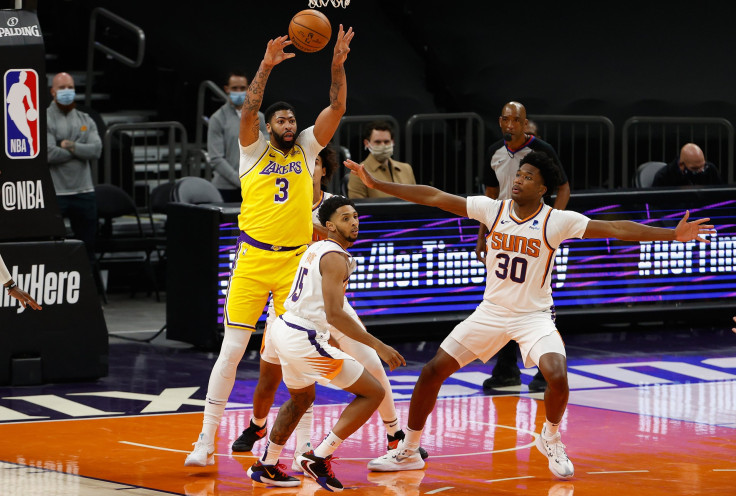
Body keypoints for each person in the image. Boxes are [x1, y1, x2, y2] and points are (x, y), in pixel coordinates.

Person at [345, 151, 714, 479]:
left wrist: (671, 234)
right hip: (490, 312)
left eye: (527, 177)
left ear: (543, 189)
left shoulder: (557, 221)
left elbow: (616, 229)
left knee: (557, 375)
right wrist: (378, 183)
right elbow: (435, 197)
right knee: (432, 371)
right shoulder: (495, 209)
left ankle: (550, 437)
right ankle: (409, 449)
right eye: (518, 175)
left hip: (533, 316)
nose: (518, 181)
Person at [185, 26, 355, 467]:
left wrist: (336, 65)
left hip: (295, 267)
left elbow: (336, 106)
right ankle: (204, 442)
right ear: (267, 126)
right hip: (253, 261)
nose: (288, 124)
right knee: (231, 352)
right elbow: (250, 105)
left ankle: (301, 446)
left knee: (297, 360)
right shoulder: (252, 148)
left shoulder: (307, 151)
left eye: (292, 120)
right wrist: (265, 65)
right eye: (280, 120)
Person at [240, 144, 429, 470]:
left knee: (365, 365)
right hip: (293, 307)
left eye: (313, 164)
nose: (307, 169)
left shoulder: (334, 207)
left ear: (323, 170)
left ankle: (392, 433)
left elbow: (335, 308)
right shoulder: (284, 206)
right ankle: (268, 431)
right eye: (301, 164)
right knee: (274, 379)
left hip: (319, 307)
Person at [246, 195, 406, 491]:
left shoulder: (318, 246)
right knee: (373, 392)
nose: (354, 222)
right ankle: (319, 457)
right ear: (330, 226)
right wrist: (379, 345)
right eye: (346, 218)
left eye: (355, 216)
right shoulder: (335, 258)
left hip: (284, 329)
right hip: (302, 336)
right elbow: (335, 314)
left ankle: (266, 464)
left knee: (302, 399)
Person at [476, 101, 571, 393]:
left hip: (533, 233)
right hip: (502, 233)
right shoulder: (494, 151)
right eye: (505, 119)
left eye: (516, 120)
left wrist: (552, 224)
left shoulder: (542, 150)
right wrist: (482, 234)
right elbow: (490, 195)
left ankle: (546, 371)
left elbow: (564, 188)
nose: (510, 125)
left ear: (525, 123)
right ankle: (507, 371)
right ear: (500, 121)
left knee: (538, 303)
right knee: (505, 299)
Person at [47, 72, 102, 265]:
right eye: (62, 88)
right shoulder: (44, 119)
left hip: (84, 192)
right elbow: (48, 153)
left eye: (70, 87)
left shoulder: (85, 119)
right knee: (51, 247)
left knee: (88, 248)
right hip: (57, 193)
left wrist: (68, 145)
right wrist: (80, 149)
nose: (67, 91)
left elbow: (96, 150)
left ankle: (90, 292)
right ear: (53, 91)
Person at [207, 70, 268, 202]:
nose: (239, 91)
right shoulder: (218, 119)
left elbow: (266, 151)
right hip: (225, 189)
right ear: (227, 89)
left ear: (248, 89)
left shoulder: (260, 118)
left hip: (254, 186)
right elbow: (216, 158)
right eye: (235, 88)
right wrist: (240, 180)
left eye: (242, 88)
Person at [347, 120, 416, 199]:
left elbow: (416, 200)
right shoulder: (359, 172)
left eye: (386, 142)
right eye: (378, 142)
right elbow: (358, 207)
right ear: (367, 143)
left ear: (392, 142)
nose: (383, 145)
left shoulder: (406, 169)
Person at [652, 143, 724, 187]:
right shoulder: (663, 177)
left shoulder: (710, 170)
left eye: (703, 167)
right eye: (695, 168)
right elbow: (656, 208)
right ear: (681, 165)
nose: (700, 171)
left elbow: (722, 198)